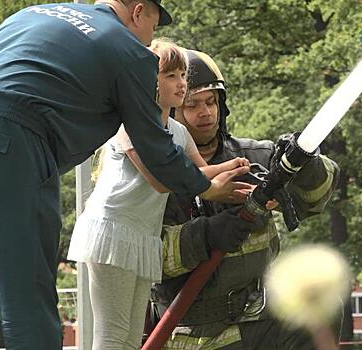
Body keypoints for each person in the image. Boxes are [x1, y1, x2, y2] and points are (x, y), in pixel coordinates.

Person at [0, 2, 247, 349]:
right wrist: (208, 188)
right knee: (27, 298)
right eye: (153, 28)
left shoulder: (35, 13)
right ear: (138, 13)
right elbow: (155, 148)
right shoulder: (129, 52)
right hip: (10, 142)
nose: (150, 40)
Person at [66, 39, 254, 350]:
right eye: (171, 76)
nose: (182, 84)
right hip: (112, 232)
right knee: (112, 334)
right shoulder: (129, 126)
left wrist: (240, 173)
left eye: (183, 75)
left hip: (144, 237)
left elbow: (200, 172)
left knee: (129, 337)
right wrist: (216, 184)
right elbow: (161, 180)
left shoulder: (178, 133)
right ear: (146, 80)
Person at [148, 50, 341, 349]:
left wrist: (307, 166)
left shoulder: (253, 158)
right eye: (193, 105)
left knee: (321, 308)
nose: (206, 113)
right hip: (190, 331)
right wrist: (205, 235)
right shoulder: (154, 176)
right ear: (171, 110)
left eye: (211, 102)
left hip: (259, 318)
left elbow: (316, 199)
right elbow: (146, 257)